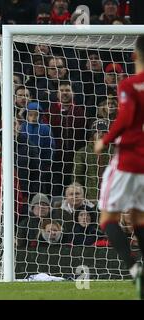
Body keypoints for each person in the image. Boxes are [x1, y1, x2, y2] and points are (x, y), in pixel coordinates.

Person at [94, 34, 144, 299]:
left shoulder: (129, 85)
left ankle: (134, 269)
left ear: (134, 56)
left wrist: (105, 140)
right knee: (139, 217)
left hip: (127, 160)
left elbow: (125, 118)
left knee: (107, 219)